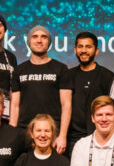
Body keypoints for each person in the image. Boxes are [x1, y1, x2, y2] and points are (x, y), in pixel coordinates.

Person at [10, 25, 72, 153]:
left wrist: (62, 136)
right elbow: (14, 106)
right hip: (25, 133)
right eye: (35, 37)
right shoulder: (19, 70)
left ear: (49, 42)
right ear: (29, 42)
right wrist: (11, 135)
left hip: (52, 134)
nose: (39, 40)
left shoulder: (60, 69)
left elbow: (66, 104)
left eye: (43, 37)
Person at [65, 31, 114, 153]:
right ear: (75, 50)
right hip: (72, 140)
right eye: (80, 47)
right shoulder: (68, 75)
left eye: (88, 47)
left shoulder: (107, 76)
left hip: (99, 138)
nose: (84, 50)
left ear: (96, 50)